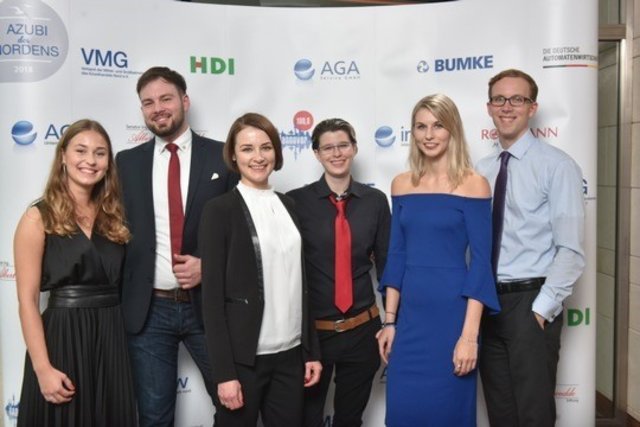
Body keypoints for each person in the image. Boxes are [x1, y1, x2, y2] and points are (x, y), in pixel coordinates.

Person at [115, 66, 238, 426]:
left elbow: (243, 233)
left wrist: (209, 267)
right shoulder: (126, 162)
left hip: (210, 307)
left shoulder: (223, 157)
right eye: (148, 103)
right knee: (154, 416)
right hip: (150, 309)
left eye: (166, 98)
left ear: (184, 101)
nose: (158, 108)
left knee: (234, 405)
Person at [376, 94, 500, 426]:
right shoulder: (402, 184)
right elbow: (397, 255)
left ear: (452, 130)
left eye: (438, 125)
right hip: (410, 318)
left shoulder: (474, 185)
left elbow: (481, 264)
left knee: (448, 413)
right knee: (403, 414)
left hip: (452, 318)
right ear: (413, 133)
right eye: (421, 126)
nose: (429, 135)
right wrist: (390, 321)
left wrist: (469, 336)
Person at [477, 68, 585, 427]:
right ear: (489, 107)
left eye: (517, 99)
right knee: (501, 412)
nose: (507, 107)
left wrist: (539, 311)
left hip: (530, 301)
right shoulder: (482, 169)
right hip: (487, 304)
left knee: (533, 414)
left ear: (532, 107)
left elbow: (570, 250)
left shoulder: (557, 166)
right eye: (499, 99)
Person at [199, 112, 322, 426]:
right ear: (234, 156)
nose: (258, 157)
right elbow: (211, 300)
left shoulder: (289, 205)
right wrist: (225, 374)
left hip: (291, 355)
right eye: (247, 149)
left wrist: (311, 350)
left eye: (266, 147)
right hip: (244, 361)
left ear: (276, 153)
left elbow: (301, 283)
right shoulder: (219, 210)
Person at [15, 119, 136, 426]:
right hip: (63, 337)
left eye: (100, 153)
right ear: (63, 157)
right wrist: (43, 368)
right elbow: (28, 301)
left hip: (111, 336)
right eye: (81, 150)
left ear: (108, 163)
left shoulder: (115, 216)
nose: (90, 161)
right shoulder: (37, 216)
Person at [286, 118, 390, 427]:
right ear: (316, 154)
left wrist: (395, 322)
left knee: (349, 419)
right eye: (327, 147)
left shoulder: (375, 201)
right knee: (307, 419)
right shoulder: (295, 201)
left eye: (343, 145)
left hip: (363, 329)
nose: (336, 153)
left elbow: (387, 266)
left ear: (355, 148)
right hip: (314, 333)